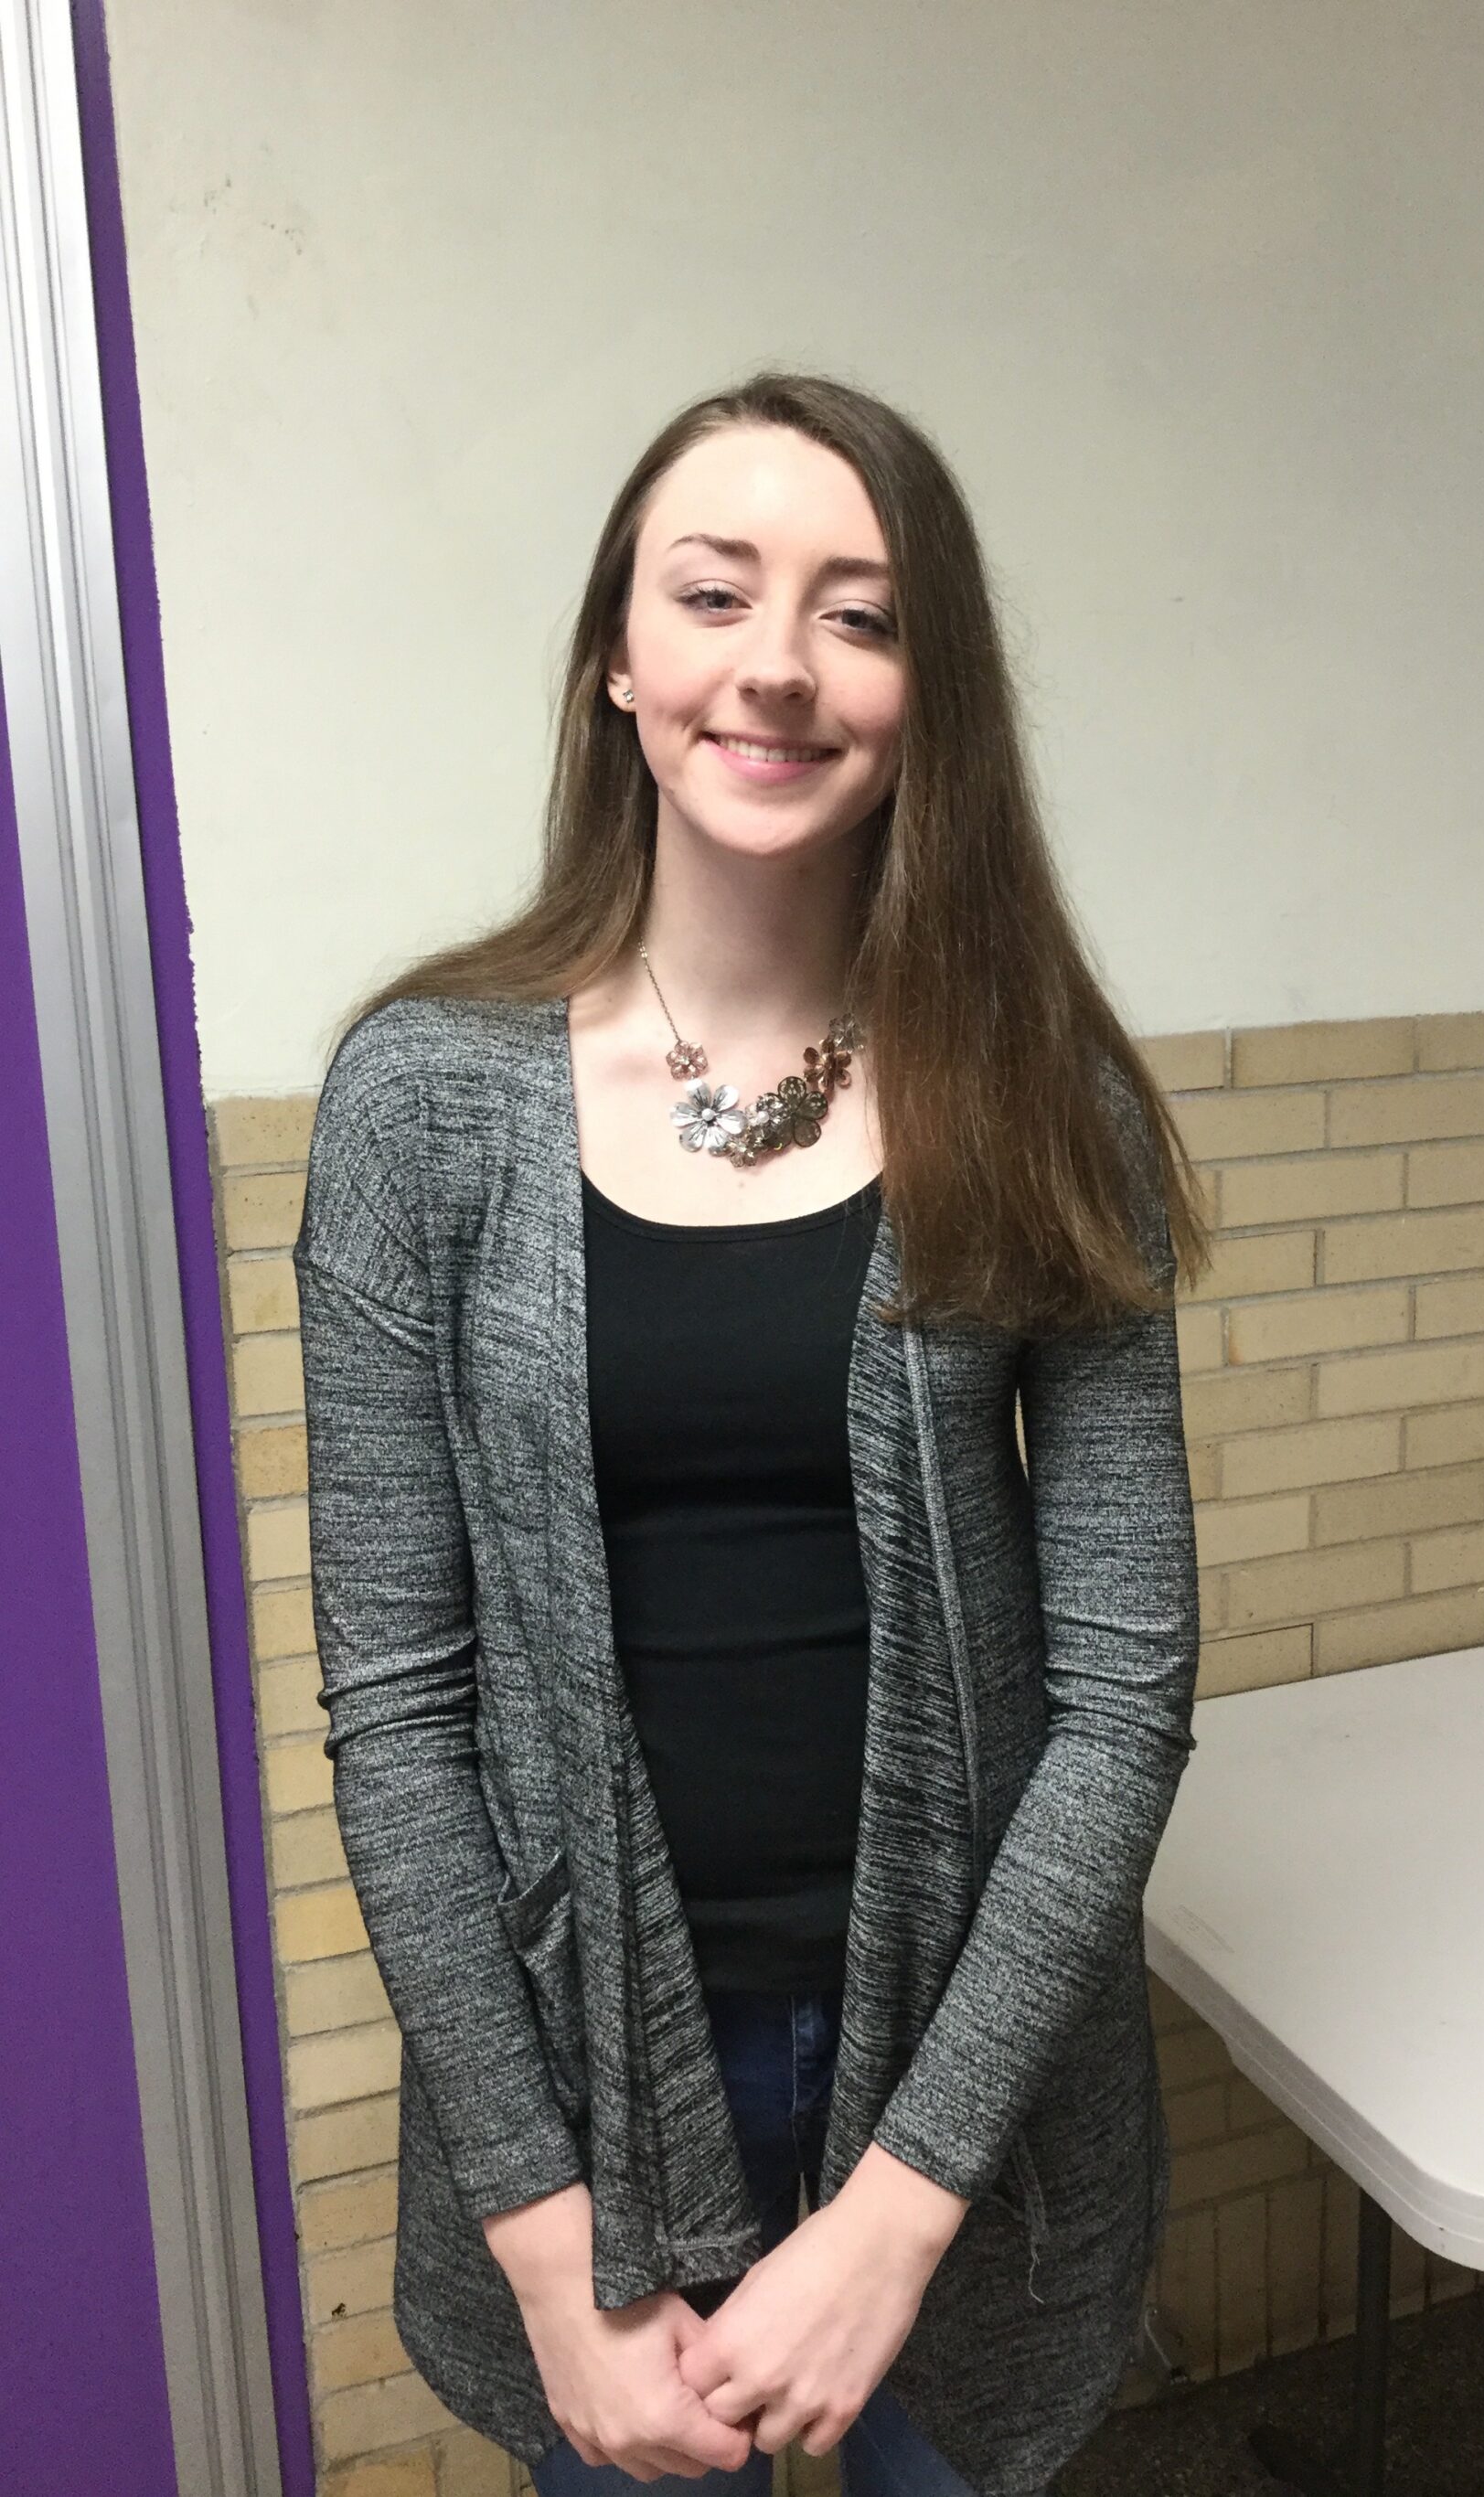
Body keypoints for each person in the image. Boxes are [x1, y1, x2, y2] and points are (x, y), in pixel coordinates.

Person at [294, 369, 1208, 2497]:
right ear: (619, 660)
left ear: (928, 690)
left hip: (964, 2072)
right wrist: (549, 2249)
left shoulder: (1037, 1096)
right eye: (714, 594)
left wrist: (900, 2209)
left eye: (858, 614)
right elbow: (398, 1705)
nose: (777, 663)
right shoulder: (423, 1103)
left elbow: (1123, 1690)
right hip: (582, 2079)